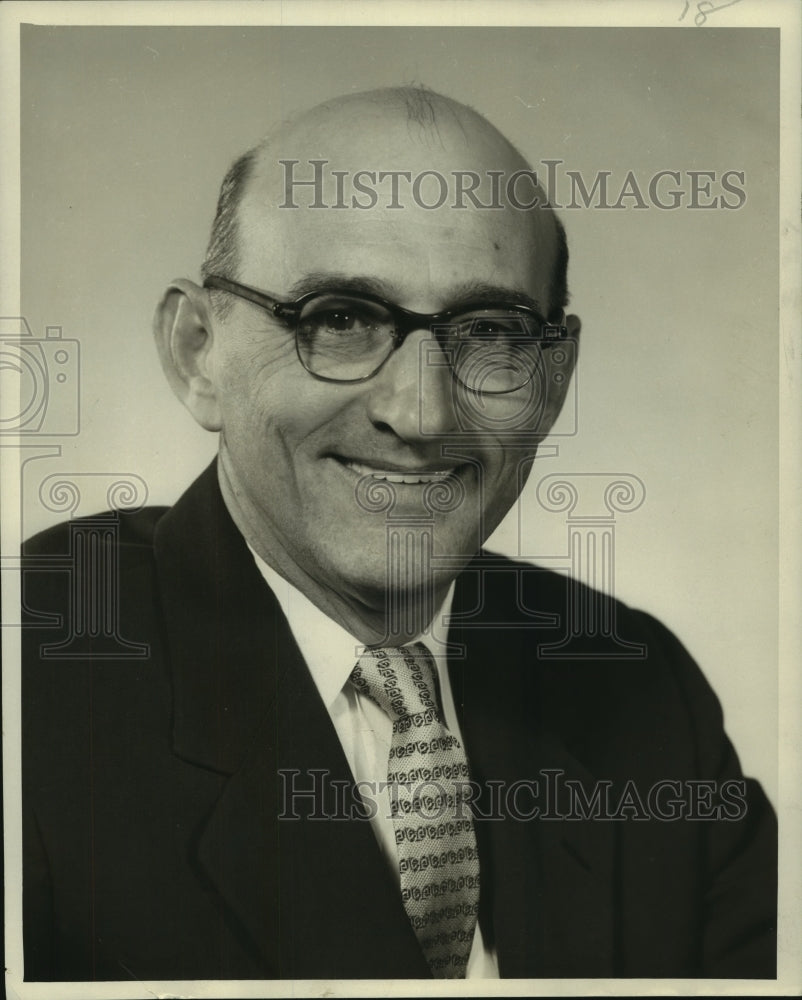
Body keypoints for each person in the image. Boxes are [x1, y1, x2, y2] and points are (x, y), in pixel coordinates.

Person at [20, 86, 776, 982]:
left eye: (488, 332)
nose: (421, 414)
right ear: (198, 353)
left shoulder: (644, 690)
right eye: (339, 319)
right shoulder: (32, 680)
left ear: (554, 377)